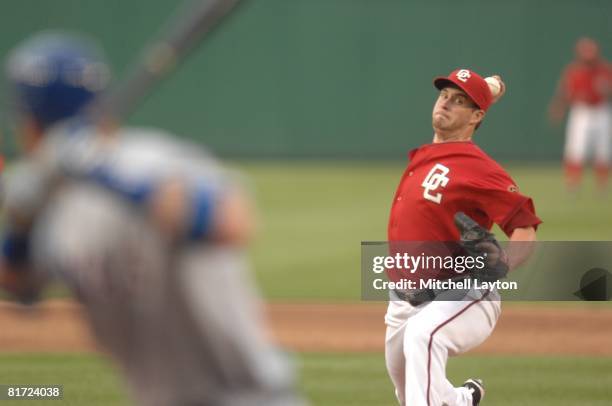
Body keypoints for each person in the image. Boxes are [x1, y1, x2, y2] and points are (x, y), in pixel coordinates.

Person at [0, 31, 304, 406]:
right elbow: (20, 287)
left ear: (28, 124)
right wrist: (20, 223)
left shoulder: (154, 162)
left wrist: (100, 170)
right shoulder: (56, 204)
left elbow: (231, 222)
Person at [384, 68, 542, 405]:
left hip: (463, 293)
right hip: (403, 297)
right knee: (407, 385)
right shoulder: (432, 154)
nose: (445, 104)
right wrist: (481, 91)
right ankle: (461, 400)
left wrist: (503, 264)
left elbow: (525, 228)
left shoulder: (480, 169)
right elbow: (462, 110)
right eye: (444, 96)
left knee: (423, 338)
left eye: (458, 101)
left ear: (476, 117)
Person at [548, 37, 612, 192]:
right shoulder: (574, 71)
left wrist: (606, 91)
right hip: (581, 111)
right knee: (575, 148)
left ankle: (602, 186)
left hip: (601, 110)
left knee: (603, 150)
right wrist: (558, 108)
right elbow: (564, 92)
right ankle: (573, 183)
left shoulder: (605, 70)